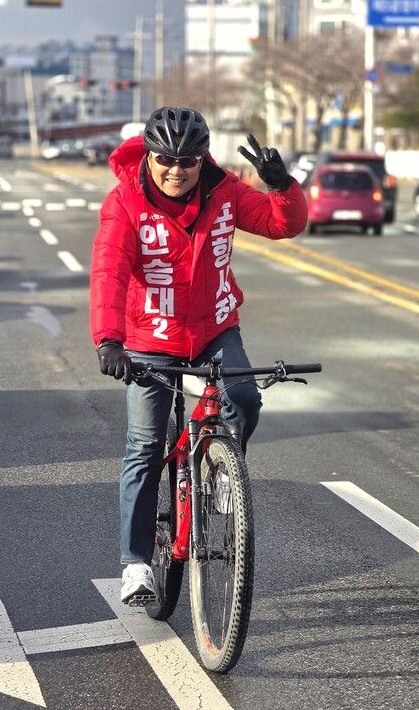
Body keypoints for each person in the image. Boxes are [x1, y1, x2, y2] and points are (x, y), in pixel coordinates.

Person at [90, 106, 307, 605]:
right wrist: (109, 340)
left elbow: (282, 225)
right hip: (149, 338)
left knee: (246, 398)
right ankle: (136, 563)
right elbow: (109, 271)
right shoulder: (125, 202)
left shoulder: (225, 191)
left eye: (187, 160)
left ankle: (224, 471)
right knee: (145, 447)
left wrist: (283, 187)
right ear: (149, 155)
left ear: (201, 159)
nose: (176, 169)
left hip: (214, 328)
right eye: (165, 158)